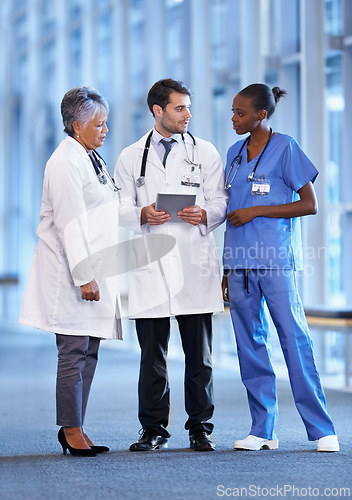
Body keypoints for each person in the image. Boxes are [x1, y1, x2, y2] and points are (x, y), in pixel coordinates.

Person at [222, 83, 339, 452]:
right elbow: (228, 209)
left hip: (274, 259)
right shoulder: (234, 153)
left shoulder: (285, 147)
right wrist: (226, 270)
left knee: (294, 340)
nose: (233, 118)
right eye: (232, 112)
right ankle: (262, 430)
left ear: (261, 114)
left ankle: (322, 430)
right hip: (239, 262)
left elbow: (309, 204)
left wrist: (257, 210)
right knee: (250, 345)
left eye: (240, 113)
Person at [114, 78, 228, 452]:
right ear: (157, 111)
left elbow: (222, 201)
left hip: (193, 264)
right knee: (152, 357)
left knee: (200, 358)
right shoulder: (132, 156)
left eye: (188, 107)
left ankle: (200, 428)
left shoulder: (205, 151)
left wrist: (205, 213)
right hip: (151, 265)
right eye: (180, 108)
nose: (188, 115)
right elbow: (118, 208)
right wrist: (142, 213)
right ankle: (153, 430)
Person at [19, 86, 122, 457]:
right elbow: (70, 224)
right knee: (74, 351)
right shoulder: (65, 162)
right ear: (78, 125)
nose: (105, 129)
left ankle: (78, 425)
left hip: (93, 266)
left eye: (106, 122)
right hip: (72, 273)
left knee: (89, 349)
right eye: (100, 123)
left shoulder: (90, 157)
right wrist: (84, 276)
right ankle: (70, 430)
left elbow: (105, 207)